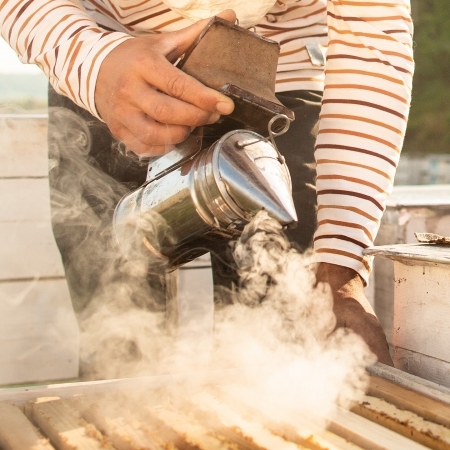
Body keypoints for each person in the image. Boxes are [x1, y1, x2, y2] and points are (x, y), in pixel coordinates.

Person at [0, 0, 414, 366]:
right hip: (107, 61)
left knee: (292, 333)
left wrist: (339, 263)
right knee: (116, 337)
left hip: (278, 69)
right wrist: (92, 63)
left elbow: (373, 35)